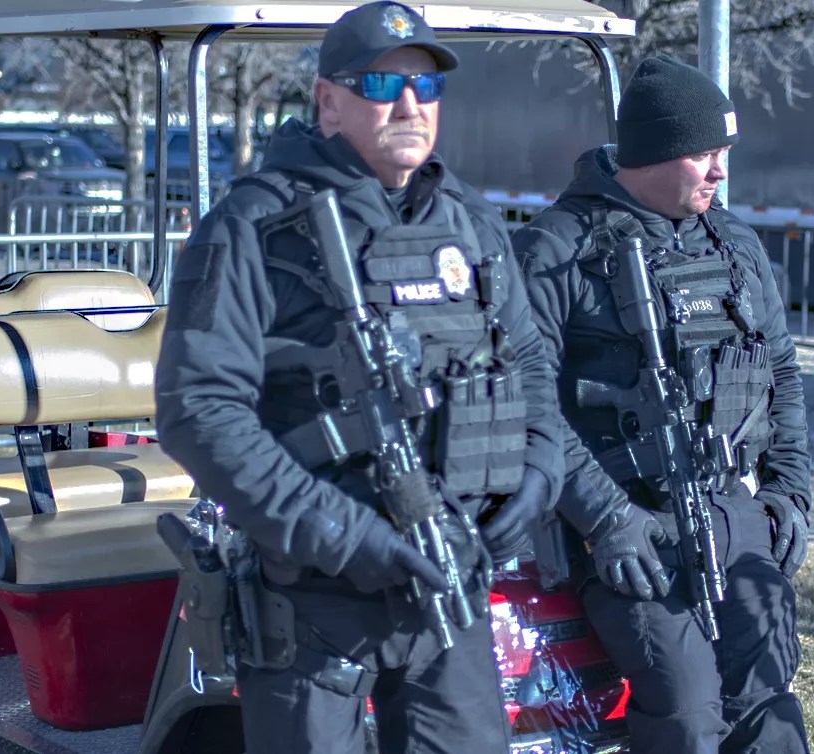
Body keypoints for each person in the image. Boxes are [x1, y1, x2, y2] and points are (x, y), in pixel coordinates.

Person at [155, 3, 565, 752]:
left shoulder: (469, 221)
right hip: (315, 597)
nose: (409, 105)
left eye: (426, 88)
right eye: (382, 83)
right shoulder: (250, 227)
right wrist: (350, 537)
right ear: (328, 100)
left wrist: (537, 475)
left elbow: (531, 364)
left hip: (447, 580)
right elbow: (197, 410)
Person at [513, 54, 811, 754]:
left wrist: (790, 492)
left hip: (732, 512)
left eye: (724, 154)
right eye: (704, 154)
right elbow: (527, 404)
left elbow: (784, 372)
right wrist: (607, 520)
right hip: (626, 529)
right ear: (651, 152)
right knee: (685, 709)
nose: (720, 172)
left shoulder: (733, 243)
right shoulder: (554, 250)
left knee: (767, 697)